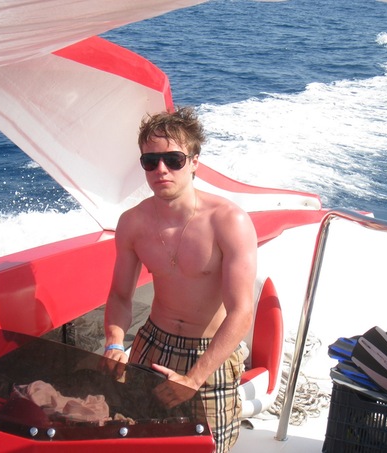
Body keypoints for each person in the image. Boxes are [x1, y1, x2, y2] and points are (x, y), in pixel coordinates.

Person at [103, 106, 257, 453]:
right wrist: (114, 342)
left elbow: (241, 312)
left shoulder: (228, 221)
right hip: (152, 344)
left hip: (210, 353)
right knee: (141, 438)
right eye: (150, 161)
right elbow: (120, 296)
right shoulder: (132, 223)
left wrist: (194, 378)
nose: (161, 170)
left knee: (209, 446)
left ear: (194, 162)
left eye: (173, 160)